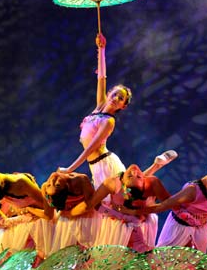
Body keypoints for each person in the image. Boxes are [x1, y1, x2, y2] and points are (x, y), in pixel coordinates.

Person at [57, 32, 177, 188]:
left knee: (127, 193)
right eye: (114, 94)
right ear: (108, 94)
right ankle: (156, 165)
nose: (116, 99)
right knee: (123, 194)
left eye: (121, 99)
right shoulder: (99, 106)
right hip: (94, 165)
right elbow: (101, 78)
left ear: (123, 106)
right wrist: (101, 49)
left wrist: (70, 169)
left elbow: (90, 148)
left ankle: (156, 165)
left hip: (105, 165)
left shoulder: (109, 121)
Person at [67, 164, 171, 252]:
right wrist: (70, 213)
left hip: (133, 221)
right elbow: (91, 204)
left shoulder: (151, 183)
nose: (134, 171)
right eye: (134, 176)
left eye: (136, 176)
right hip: (122, 222)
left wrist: (135, 212)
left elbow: (169, 203)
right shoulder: (112, 183)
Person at [141, 169, 207, 253]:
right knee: (166, 258)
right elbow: (165, 204)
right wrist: (135, 211)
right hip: (180, 226)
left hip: (200, 229)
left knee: (195, 261)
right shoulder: (193, 190)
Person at [0, 169, 55, 258]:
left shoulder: (4, 186)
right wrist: (29, 209)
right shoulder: (20, 183)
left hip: (35, 221)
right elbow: (48, 211)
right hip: (42, 223)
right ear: (1, 184)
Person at [30, 171, 100, 256]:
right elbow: (48, 215)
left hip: (86, 219)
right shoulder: (45, 187)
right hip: (66, 223)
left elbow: (90, 205)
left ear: (66, 186)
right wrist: (30, 209)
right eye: (51, 184)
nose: (52, 180)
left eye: (57, 185)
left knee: (89, 250)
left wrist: (70, 213)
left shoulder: (81, 180)